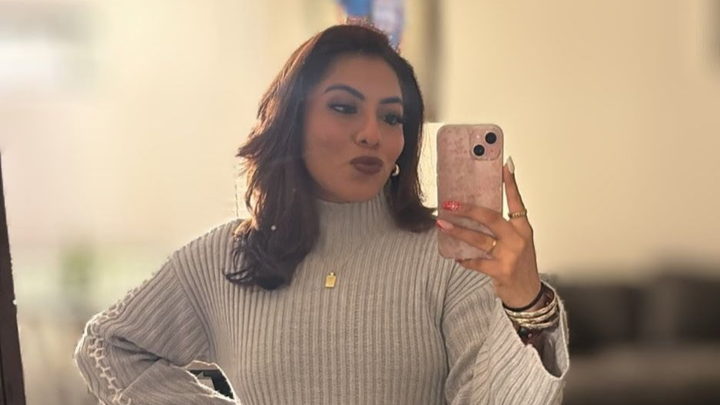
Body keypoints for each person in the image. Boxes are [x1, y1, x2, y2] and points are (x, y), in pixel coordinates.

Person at [73, 23, 569, 405]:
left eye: (392, 117)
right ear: (293, 120)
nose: (372, 133)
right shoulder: (223, 257)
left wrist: (528, 303)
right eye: (344, 108)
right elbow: (108, 347)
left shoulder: (450, 255)